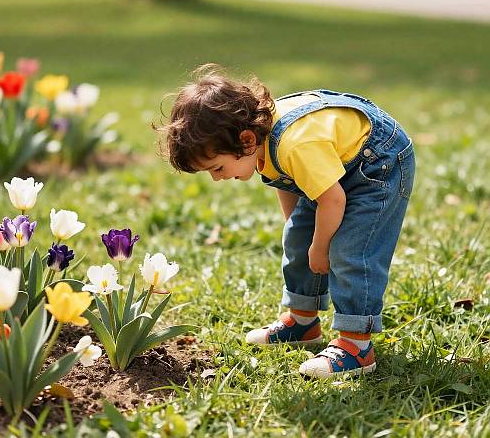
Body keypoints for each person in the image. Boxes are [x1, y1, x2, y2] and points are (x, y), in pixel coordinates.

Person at [158, 65, 415, 378]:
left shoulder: (295, 145)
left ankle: (356, 346)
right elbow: (285, 182)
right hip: (336, 170)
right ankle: (303, 322)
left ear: (246, 141)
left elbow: (333, 200)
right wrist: (300, 233)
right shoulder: (262, 143)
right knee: (297, 238)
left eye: (218, 168)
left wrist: (320, 248)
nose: (216, 179)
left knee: (349, 252)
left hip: (378, 164)